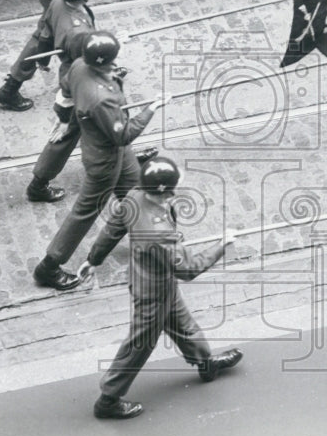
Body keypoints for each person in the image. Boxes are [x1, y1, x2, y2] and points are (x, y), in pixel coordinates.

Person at [76, 156, 243, 419]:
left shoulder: (134, 195)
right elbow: (188, 269)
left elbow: (112, 229)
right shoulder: (158, 233)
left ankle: (205, 362)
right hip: (153, 291)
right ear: (164, 191)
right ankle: (108, 399)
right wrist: (222, 244)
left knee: (182, 322)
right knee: (140, 343)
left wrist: (92, 260)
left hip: (150, 278)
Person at [32, 32, 170, 290]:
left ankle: (148, 237)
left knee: (137, 191)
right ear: (105, 61)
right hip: (105, 160)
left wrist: (65, 119)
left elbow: (66, 91)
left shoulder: (78, 66)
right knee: (85, 211)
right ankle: (48, 266)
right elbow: (123, 134)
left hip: (110, 149)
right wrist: (152, 108)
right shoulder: (102, 98)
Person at [23, 0, 98, 200]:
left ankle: (126, 158)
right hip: (80, 83)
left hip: (84, 72)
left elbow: (46, 31)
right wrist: (63, 115)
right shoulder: (79, 33)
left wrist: (43, 59)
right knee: (67, 133)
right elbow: (80, 68)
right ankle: (38, 184)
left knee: (107, 120)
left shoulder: (57, 2)